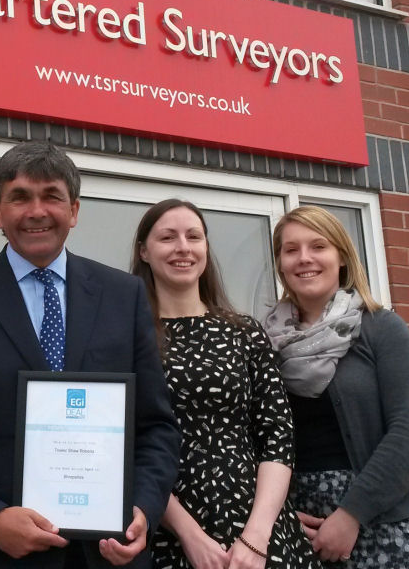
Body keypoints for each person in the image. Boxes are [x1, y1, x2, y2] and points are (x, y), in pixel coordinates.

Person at [0, 141, 181, 569]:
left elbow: (156, 427)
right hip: (3, 558)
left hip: (110, 554)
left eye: (51, 196)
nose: (36, 211)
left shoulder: (123, 296)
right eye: (20, 197)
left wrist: (143, 510)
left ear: (74, 210)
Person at [131, 199, 321, 569]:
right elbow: (127, 447)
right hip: (169, 530)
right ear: (144, 251)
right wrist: (189, 535)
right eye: (167, 238)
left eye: (193, 237)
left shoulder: (244, 331)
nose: (183, 247)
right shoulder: (128, 337)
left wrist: (257, 536)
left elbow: (277, 435)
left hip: (259, 527)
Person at [263, 205, 409, 568]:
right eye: (291, 250)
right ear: (280, 264)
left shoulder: (382, 328)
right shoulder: (265, 344)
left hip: (381, 524)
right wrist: (278, 514)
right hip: (295, 530)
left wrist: (352, 514)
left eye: (318, 246)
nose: (304, 258)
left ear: (341, 256)